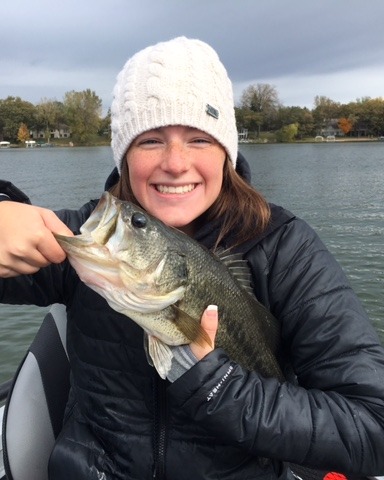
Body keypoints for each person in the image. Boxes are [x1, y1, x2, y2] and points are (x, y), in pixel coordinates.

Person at [1, 36, 384, 480]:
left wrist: (217, 385)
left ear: (226, 153)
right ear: (124, 157)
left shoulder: (285, 249)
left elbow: (373, 426)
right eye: (150, 140)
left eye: (199, 138)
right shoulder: (92, 236)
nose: (176, 163)